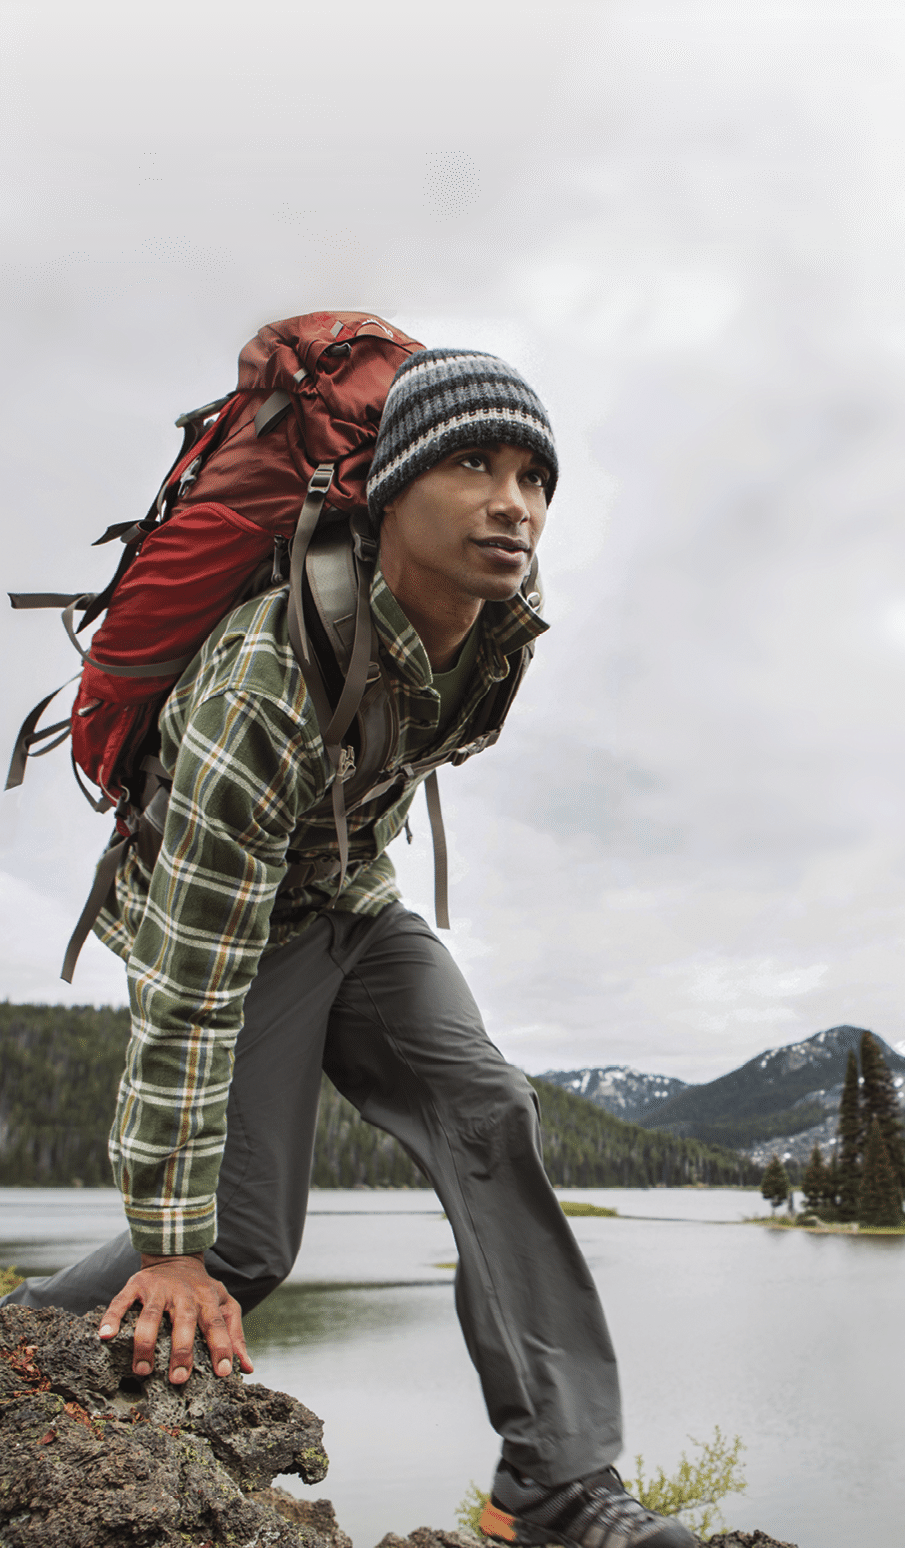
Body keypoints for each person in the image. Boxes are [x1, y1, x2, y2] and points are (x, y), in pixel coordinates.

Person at [2, 349, 692, 1548]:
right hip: (223, 920)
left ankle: (552, 1486)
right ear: (388, 490)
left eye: (535, 475)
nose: (512, 501)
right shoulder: (262, 684)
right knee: (242, 1242)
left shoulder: (496, 636)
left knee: (487, 1109)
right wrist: (170, 1247)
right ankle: (21, 1350)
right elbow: (188, 991)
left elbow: (391, 774)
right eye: (473, 462)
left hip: (347, 898)